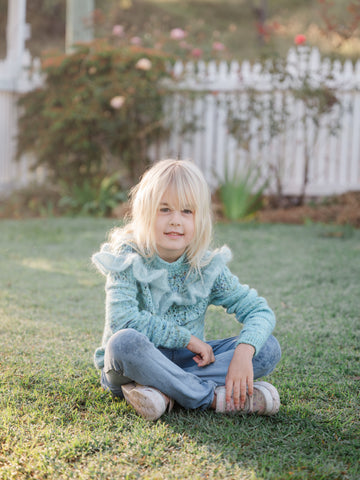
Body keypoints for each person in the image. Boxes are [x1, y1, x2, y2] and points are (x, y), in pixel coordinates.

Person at [92, 159, 281, 421]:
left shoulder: (205, 265)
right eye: (165, 209)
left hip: (187, 363)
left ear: (200, 217)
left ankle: (163, 393)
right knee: (123, 342)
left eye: (187, 211)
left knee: (268, 348)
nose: (175, 221)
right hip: (133, 365)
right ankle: (212, 397)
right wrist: (187, 340)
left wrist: (244, 352)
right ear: (145, 212)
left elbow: (259, 311)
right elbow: (123, 320)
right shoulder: (127, 257)